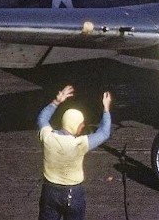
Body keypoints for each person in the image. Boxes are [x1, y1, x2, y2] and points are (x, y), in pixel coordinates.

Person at [37, 85, 112, 220]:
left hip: (49, 191)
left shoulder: (48, 137)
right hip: (73, 194)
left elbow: (42, 118)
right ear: (76, 126)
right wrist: (106, 108)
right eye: (81, 124)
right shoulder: (79, 144)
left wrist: (57, 101)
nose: (83, 126)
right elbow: (104, 132)